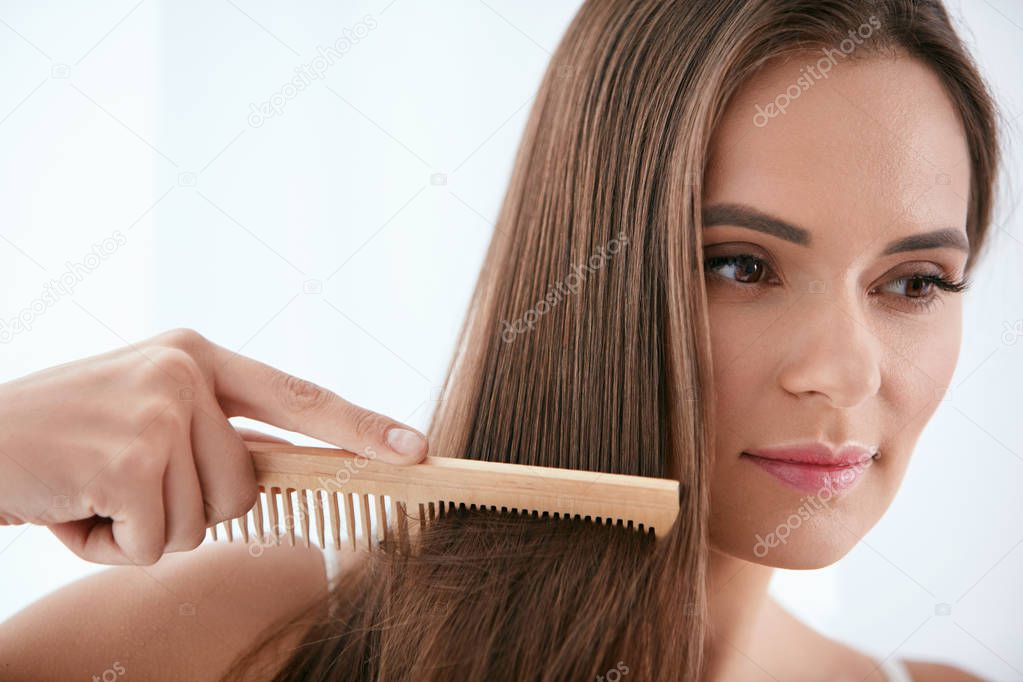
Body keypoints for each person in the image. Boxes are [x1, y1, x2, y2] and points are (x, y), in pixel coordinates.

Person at [0, 0, 1002, 679]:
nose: (846, 371)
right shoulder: (236, 640)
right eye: (739, 264)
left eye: (915, 282)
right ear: (589, 264)